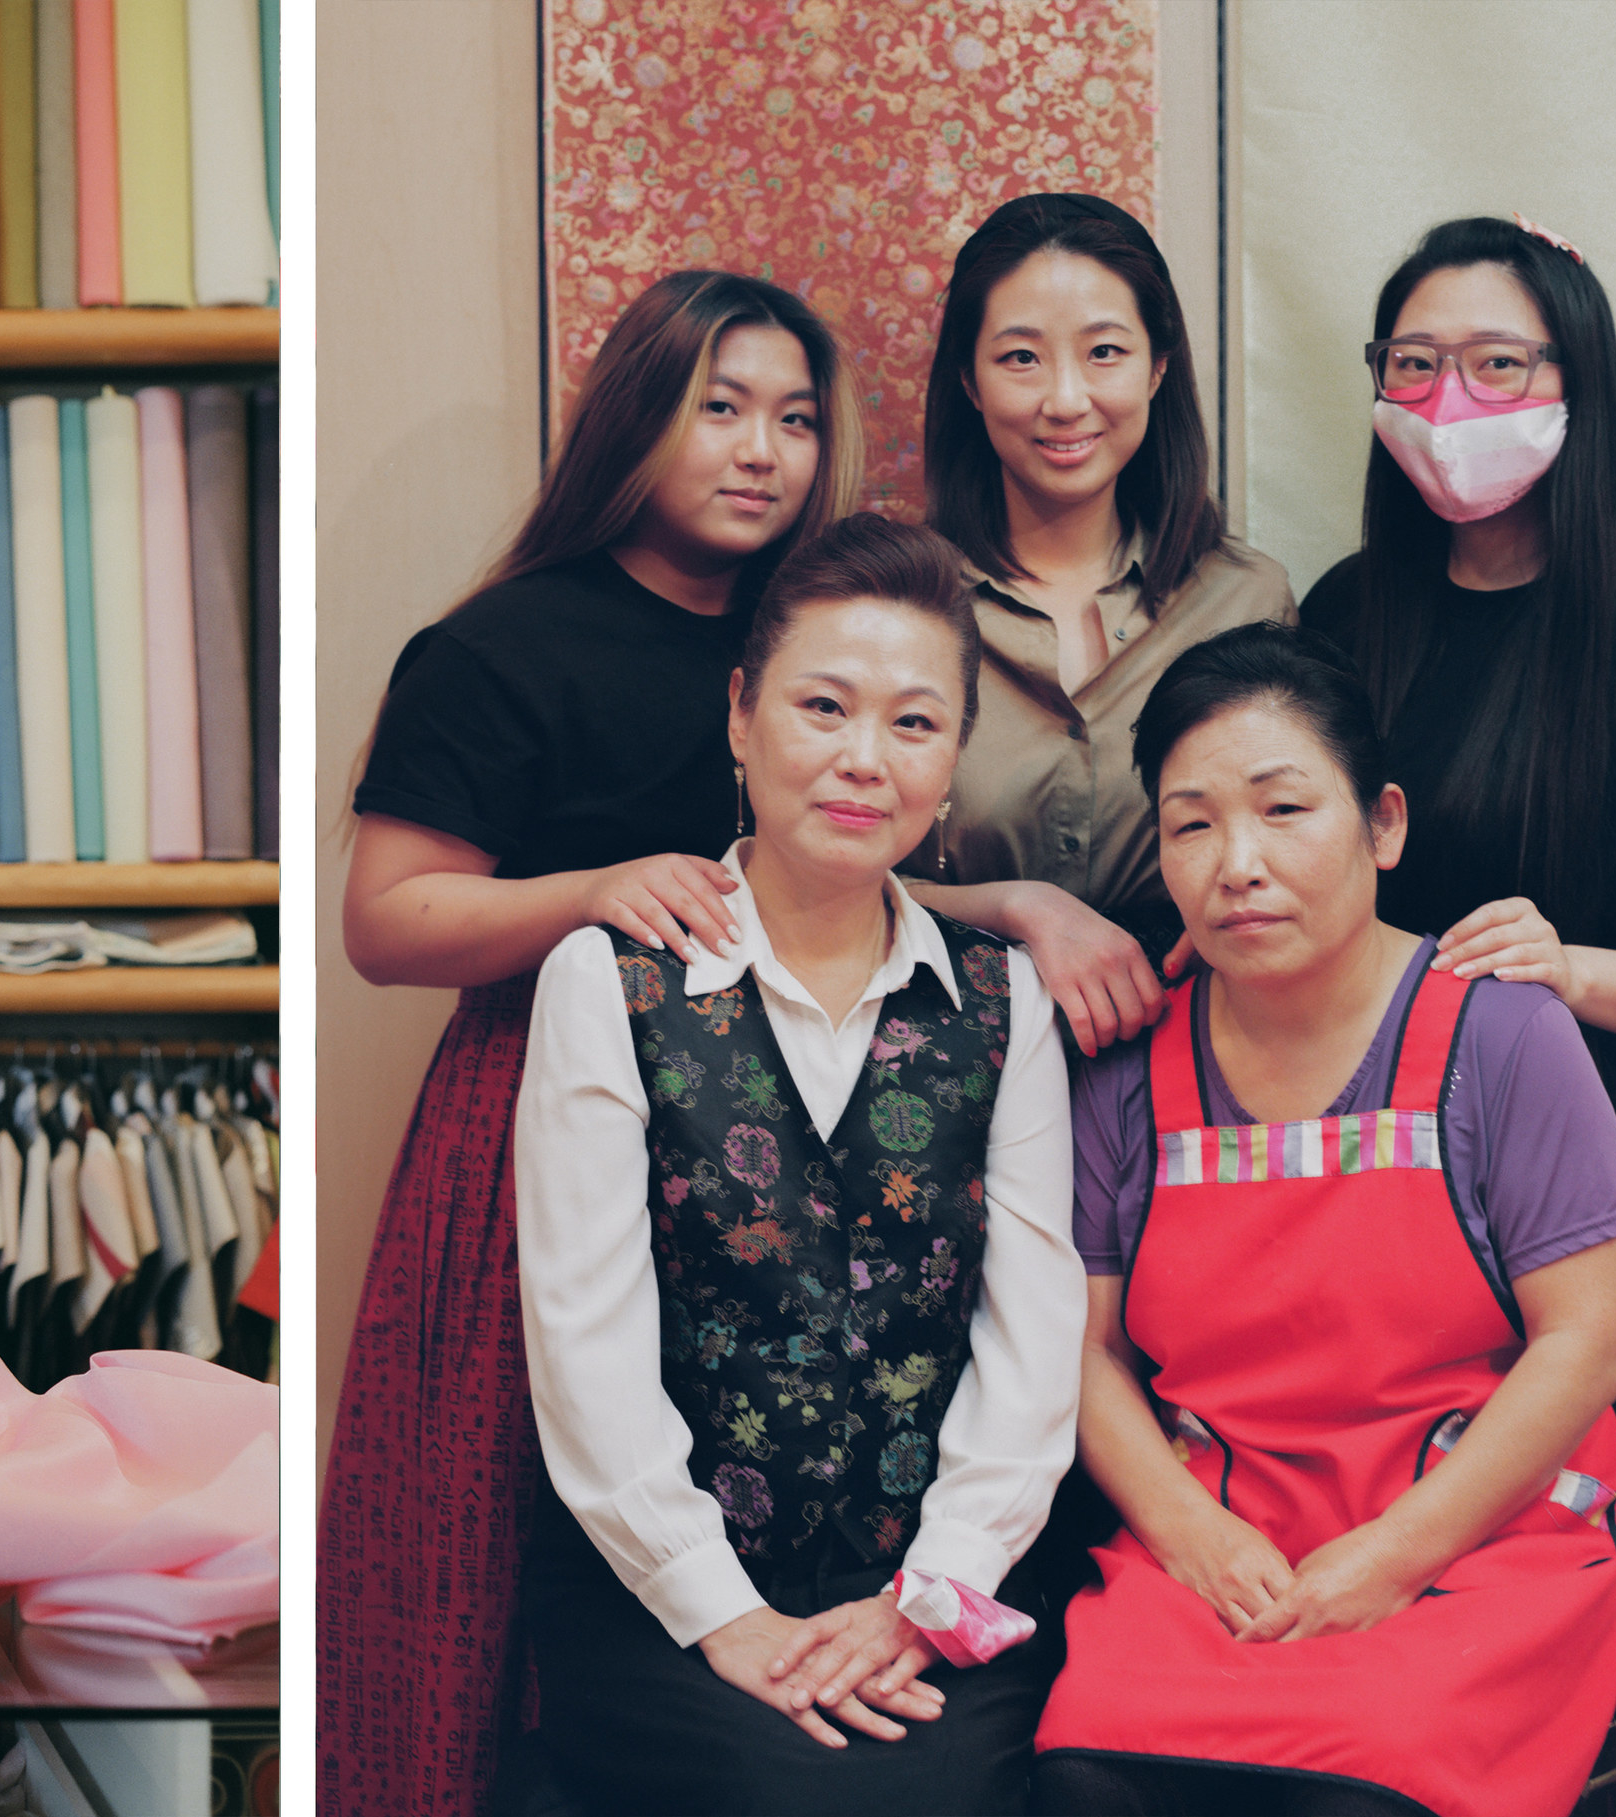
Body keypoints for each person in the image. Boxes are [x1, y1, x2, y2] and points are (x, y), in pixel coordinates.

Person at [321, 270, 863, 1816]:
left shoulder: (814, 645)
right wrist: (595, 895)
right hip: (532, 1113)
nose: (764, 449)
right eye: (722, 408)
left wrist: (1016, 902)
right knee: (489, 1536)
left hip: (775, 1125)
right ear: (637, 419)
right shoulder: (505, 643)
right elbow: (385, 919)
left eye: (797, 418)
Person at [1294, 216, 1616, 1814]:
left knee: (1572, 1563)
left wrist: (1566, 966)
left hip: (1573, 1198)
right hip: (1348, 1185)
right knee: (1371, 1560)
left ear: (1576, 387)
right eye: (1415, 362)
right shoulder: (1347, 612)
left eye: (1499, 362)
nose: (1452, 396)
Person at [512, 515, 1082, 1814]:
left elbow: (1032, 1344)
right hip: (664, 1593)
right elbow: (584, 1342)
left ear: (952, 761)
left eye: (915, 723)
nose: (863, 759)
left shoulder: (1003, 1002)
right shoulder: (612, 983)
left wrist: (928, 1600)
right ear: (740, 714)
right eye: (823, 706)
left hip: (937, 1590)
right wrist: (724, 1616)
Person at [1032, 623, 1616, 1817]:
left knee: (1355, 1794)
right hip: (1217, 1540)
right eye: (1192, 823)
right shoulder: (1125, 1064)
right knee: (1087, 1784)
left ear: (1385, 825)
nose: (1236, 862)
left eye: (1283, 809)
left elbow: (1591, 1339)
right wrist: (1194, 1538)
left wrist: (1389, 1558)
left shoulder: (1504, 1034)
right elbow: (1083, 1349)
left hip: (1476, 1544)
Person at [904, 192, 1295, 1056]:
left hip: (1192, 1053)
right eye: (1020, 359)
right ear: (967, 380)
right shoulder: (897, 603)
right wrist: (1018, 905)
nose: (1066, 399)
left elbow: (1290, 836)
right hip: (933, 1062)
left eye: (1105, 353)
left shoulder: (1246, 599)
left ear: (1159, 366)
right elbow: (803, 879)